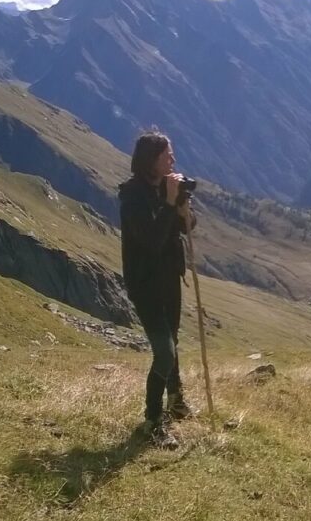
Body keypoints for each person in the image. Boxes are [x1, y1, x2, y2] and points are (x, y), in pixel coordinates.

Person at [119, 129, 194, 449]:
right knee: (164, 350)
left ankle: (176, 402)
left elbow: (187, 227)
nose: (173, 159)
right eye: (167, 155)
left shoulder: (165, 188)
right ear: (152, 160)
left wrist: (181, 207)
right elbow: (150, 240)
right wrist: (168, 204)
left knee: (173, 342)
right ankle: (153, 419)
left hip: (169, 279)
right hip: (146, 282)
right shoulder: (131, 196)